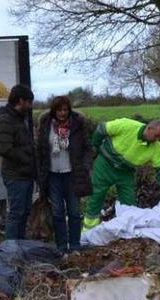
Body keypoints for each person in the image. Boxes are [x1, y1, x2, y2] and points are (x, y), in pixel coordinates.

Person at [83, 117, 160, 230]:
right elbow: (102, 129)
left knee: (128, 204)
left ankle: (123, 231)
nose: (157, 139)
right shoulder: (127, 125)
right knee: (96, 198)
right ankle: (88, 231)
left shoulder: (156, 146)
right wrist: (95, 148)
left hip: (126, 172)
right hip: (105, 165)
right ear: (149, 128)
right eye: (156, 135)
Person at [37, 95, 93, 252]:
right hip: (53, 175)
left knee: (74, 211)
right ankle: (61, 246)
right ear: (54, 111)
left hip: (72, 175)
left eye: (65, 110)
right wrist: (40, 173)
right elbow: (40, 150)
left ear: (69, 110)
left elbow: (88, 148)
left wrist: (85, 166)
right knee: (57, 212)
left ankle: (75, 245)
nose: (62, 113)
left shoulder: (77, 126)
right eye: (59, 110)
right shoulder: (46, 125)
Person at [0, 84, 36, 239]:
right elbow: (5, 149)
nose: (30, 106)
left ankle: (20, 244)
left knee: (24, 211)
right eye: (29, 102)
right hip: (15, 175)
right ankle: (10, 248)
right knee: (16, 213)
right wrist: (26, 158)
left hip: (25, 173)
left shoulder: (21, 119)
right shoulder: (6, 119)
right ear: (20, 101)